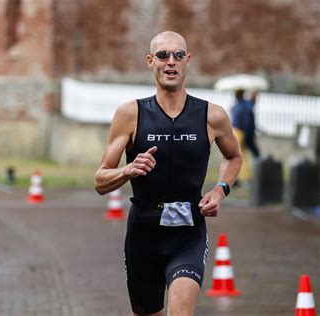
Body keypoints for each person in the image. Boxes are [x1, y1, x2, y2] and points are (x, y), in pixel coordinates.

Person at [94, 31, 242, 316]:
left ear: (188, 61)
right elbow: (100, 181)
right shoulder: (130, 114)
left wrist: (221, 188)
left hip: (188, 231)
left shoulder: (212, 115)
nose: (170, 62)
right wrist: (128, 170)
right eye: (163, 55)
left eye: (177, 55)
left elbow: (234, 156)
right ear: (151, 61)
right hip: (143, 233)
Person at [230, 89, 259, 182]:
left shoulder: (237, 106)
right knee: (241, 155)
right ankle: (245, 177)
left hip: (237, 131)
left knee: (239, 155)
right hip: (240, 132)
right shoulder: (243, 105)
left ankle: (240, 177)